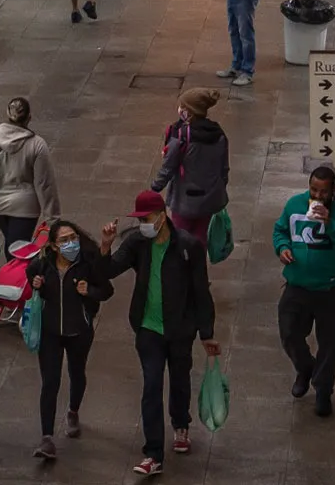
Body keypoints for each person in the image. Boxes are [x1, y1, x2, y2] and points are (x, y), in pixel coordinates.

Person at [96, 191, 221, 477]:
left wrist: (207, 333)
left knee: (179, 379)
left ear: (163, 216)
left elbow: (201, 291)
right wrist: (105, 246)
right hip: (148, 329)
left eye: (147, 218)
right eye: (140, 219)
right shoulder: (137, 243)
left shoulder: (188, 247)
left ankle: (180, 424)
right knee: (151, 386)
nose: (143, 224)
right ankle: (153, 453)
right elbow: (109, 271)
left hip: (180, 330)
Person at [273, 165, 335, 416]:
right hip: (298, 285)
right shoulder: (295, 204)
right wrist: (282, 247)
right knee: (289, 331)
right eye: (313, 189)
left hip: (330, 289)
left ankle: (323, 390)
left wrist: (331, 223)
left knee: (329, 343)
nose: (317, 196)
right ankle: (305, 367)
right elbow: (280, 230)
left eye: (323, 192)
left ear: (332, 190)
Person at [28, 220, 115, 460]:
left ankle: (73, 411)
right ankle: (46, 438)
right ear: (54, 246)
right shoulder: (43, 265)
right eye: (64, 240)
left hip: (79, 331)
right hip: (50, 333)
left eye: (73, 237)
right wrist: (37, 286)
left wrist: (90, 292)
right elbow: (30, 274)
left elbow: (107, 290)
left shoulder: (87, 265)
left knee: (77, 373)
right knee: (50, 382)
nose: (70, 243)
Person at [0, 96, 61, 247]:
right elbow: (44, 184)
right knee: (16, 249)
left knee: (13, 243)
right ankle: (14, 270)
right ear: (29, 118)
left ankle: (13, 269)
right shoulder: (37, 145)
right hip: (25, 207)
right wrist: (53, 218)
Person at [152, 88, 230, 236]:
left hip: (184, 201)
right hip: (209, 199)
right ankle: (198, 259)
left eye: (183, 106)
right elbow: (224, 168)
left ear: (189, 111)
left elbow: (168, 168)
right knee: (200, 238)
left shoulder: (181, 138)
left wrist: (155, 187)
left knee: (181, 239)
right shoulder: (218, 135)